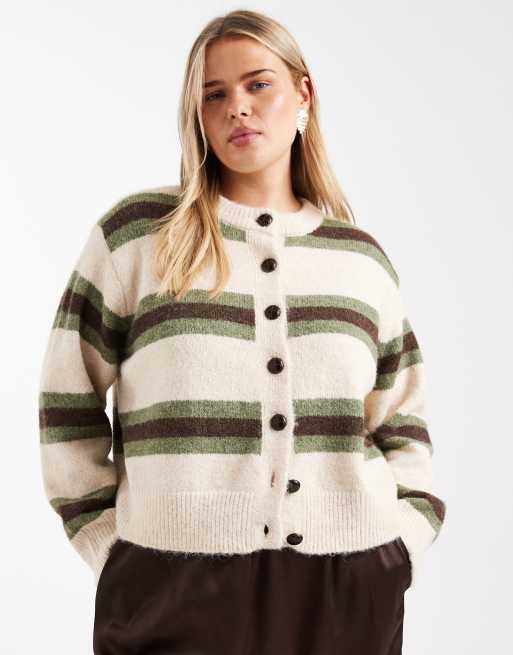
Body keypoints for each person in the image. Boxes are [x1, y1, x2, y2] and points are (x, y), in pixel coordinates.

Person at [38, 9, 447, 655]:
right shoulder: (138, 237)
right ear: (196, 115)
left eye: (258, 85)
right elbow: (68, 399)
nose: (238, 108)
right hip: (168, 584)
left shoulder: (359, 259)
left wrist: (400, 545)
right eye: (214, 94)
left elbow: (403, 420)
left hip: (347, 588)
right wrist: (109, 547)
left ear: (303, 95)